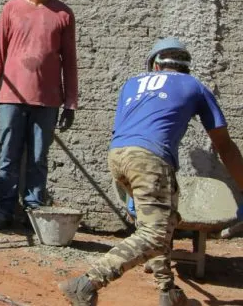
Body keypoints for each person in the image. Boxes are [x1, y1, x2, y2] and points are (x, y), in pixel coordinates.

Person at [60, 37, 243, 306]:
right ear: (185, 67)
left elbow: (123, 130)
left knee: (161, 222)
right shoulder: (194, 86)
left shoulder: (132, 84)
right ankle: (87, 282)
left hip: (119, 155)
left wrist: (132, 192)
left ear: (155, 66)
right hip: (151, 159)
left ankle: (167, 291)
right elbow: (224, 146)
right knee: (155, 234)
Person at [0, 0, 78, 229]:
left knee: (38, 158)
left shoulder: (63, 15)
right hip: (11, 97)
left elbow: (69, 61)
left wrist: (70, 101)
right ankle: (3, 210)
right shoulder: (12, 8)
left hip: (47, 100)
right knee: (8, 155)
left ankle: (34, 211)